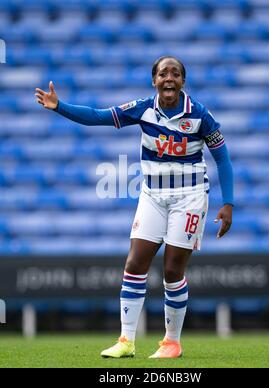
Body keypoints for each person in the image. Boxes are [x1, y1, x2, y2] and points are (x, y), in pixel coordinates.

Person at [35, 56, 234, 359]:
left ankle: (172, 342)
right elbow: (99, 116)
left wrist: (228, 203)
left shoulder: (200, 116)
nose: (169, 78)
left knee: (171, 270)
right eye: (163, 73)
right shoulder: (143, 109)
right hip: (152, 196)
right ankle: (126, 340)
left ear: (183, 81)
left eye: (176, 74)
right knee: (134, 264)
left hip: (189, 198)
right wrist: (59, 106)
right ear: (154, 80)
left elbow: (223, 158)